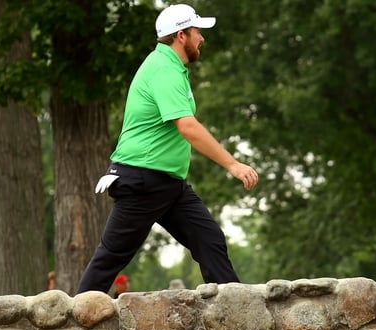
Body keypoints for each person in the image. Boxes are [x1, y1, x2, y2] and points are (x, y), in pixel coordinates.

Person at [76, 3, 258, 295]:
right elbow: (187, 127)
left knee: (209, 239)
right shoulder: (163, 68)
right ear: (181, 35)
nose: (202, 37)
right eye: (197, 31)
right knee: (110, 258)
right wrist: (233, 165)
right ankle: (72, 323)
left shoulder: (171, 67)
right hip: (142, 180)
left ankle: (234, 309)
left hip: (166, 182)